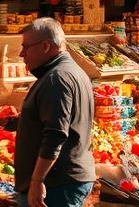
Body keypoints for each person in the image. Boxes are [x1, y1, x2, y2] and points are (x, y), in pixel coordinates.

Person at [15, 18, 93, 207]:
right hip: (65, 181)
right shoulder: (71, 71)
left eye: (26, 47)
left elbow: (55, 134)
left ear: (46, 46)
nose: (21, 53)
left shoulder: (56, 78)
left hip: (57, 185)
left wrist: (37, 181)